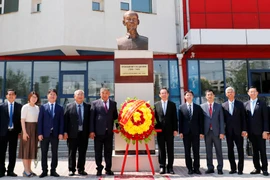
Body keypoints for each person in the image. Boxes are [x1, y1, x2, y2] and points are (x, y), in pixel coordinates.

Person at [90, 88, 118, 176]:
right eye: (103, 93)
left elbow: (115, 117)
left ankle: (108, 169)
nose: (104, 94)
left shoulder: (113, 104)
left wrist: (118, 127)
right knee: (98, 151)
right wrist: (91, 131)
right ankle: (99, 168)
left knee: (108, 151)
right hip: (98, 132)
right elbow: (92, 119)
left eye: (106, 93)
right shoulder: (94, 103)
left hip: (109, 132)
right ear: (100, 94)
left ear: (109, 94)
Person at [37, 89, 64, 178]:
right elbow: (40, 121)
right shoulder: (43, 107)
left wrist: (61, 133)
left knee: (54, 152)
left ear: (56, 97)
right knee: (44, 153)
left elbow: (61, 122)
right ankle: (44, 171)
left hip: (55, 134)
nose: (52, 96)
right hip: (44, 134)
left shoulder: (60, 108)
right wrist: (39, 133)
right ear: (48, 96)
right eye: (51, 94)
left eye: (54, 94)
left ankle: (53, 170)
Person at [64, 90, 91, 176]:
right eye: (78, 94)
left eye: (82, 94)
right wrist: (65, 132)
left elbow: (90, 121)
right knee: (72, 152)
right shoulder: (68, 106)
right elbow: (65, 121)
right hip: (72, 134)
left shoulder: (88, 107)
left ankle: (81, 169)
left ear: (84, 96)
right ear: (74, 96)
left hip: (84, 133)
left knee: (82, 152)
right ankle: (71, 169)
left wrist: (91, 132)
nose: (80, 96)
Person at [244, 86, 269, 176]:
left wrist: (266, 131)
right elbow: (245, 119)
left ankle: (265, 169)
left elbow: (266, 118)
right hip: (251, 133)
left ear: (257, 93)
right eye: (251, 92)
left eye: (254, 92)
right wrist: (245, 130)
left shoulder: (262, 103)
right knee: (254, 152)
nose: (252, 93)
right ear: (248, 93)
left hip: (261, 132)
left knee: (262, 151)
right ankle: (257, 168)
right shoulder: (245, 104)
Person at [222, 87, 247, 175]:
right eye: (228, 92)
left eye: (231, 92)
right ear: (226, 94)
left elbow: (244, 118)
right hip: (228, 132)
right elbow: (223, 120)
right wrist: (222, 131)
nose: (230, 93)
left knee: (240, 150)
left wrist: (244, 129)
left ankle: (240, 169)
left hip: (239, 131)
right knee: (230, 150)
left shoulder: (240, 104)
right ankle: (233, 168)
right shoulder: (223, 105)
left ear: (234, 93)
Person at [179, 90, 204, 175]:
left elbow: (201, 121)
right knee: (187, 151)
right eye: (187, 95)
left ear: (193, 97)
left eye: (190, 95)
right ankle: (189, 168)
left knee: (196, 151)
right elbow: (180, 121)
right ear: (185, 97)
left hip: (196, 132)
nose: (189, 97)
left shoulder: (198, 107)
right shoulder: (181, 107)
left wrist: (201, 132)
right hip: (186, 133)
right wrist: (181, 132)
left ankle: (196, 168)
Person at [154, 88, 178, 174]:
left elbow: (175, 118)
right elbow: (155, 119)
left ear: (168, 94)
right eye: (162, 93)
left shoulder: (172, 105)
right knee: (161, 149)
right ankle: (162, 166)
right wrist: (154, 129)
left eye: (165, 93)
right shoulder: (156, 105)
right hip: (160, 131)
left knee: (170, 149)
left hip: (170, 131)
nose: (163, 95)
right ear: (159, 95)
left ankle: (170, 167)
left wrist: (175, 129)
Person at [201, 89, 224, 175]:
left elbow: (221, 120)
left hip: (217, 132)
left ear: (214, 96)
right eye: (208, 95)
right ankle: (210, 167)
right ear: (206, 97)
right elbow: (201, 121)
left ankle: (220, 168)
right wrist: (202, 132)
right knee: (208, 151)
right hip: (207, 132)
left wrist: (222, 132)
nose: (209, 96)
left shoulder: (219, 106)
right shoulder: (202, 107)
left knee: (219, 151)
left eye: (211, 94)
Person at [0, 89, 22, 177]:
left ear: (15, 96)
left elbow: (21, 121)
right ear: (6, 96)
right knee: (1, 152)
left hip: (14, 132)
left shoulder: (19, 107)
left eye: (13, 94)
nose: (11, 96)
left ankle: (10, 171)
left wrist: (20, 132)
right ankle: (1, 170)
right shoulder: (1, 107)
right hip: (2, 133)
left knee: (12, 152)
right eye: (9, 94)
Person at [18, 91, 40, 177]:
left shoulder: (37, 108)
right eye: (32, 97)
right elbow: (22, 120)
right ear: (29, 97)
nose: (34, 99)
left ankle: (30, 169)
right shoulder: (25, 107)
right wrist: (24, 132)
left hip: (35, 129)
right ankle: (26, 171)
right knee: (26, 150)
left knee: (31, 150)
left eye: (35, 97)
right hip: (27, 128)